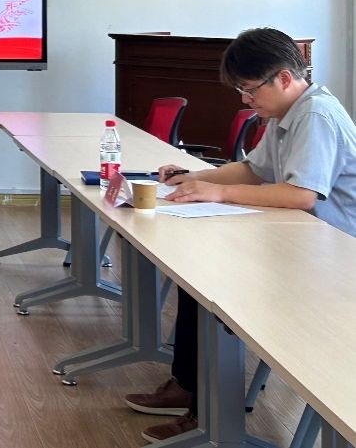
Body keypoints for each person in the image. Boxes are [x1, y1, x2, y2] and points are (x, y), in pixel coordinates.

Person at [126, 27, 356, 443]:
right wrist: (194, 177)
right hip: (298, 243)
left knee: (215, 284)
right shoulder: (288, 112)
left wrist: (218, 192)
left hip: (333, 261)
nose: (246, 100)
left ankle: (208, 413)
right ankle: (190, 388)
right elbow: (253, 170)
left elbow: (301, 194)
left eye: (250, 89)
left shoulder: (315, 116)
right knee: (198, 274)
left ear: (283, 78)